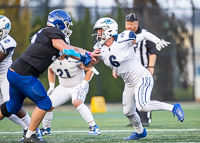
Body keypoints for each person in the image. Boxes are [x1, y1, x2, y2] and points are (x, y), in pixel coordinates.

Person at [0, 9, 96, 143]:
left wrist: (88, 54)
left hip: (15, 71)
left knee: (12, 107)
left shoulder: (47, 34)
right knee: (45, 103)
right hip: (25, 74)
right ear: (59, 23)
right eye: (66, 24)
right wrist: (82, 58)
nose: (67, 28)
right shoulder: (53, 32)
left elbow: (69, 47)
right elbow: (67, 50)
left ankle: (30, 134)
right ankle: (30, 136)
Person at [89, 17, 185, 140]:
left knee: (143, 106)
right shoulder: (99, 47)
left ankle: (173, 107)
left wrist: (157, 41)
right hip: (129, 83)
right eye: (97, 31)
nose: (98, 33)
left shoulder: (123, 39)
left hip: (142, 77)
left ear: (109, 30)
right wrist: (90, 58)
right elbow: (91, 63)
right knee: (128, 111)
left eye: (100, 30)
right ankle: (140, 132)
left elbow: (144, 35)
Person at [40, 32, 100, 136]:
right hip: (63, 86)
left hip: (78, 85)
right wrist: (51, 86)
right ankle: (46, 128)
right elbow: (50, 70)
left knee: (76, 101)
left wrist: (83, 84)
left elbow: (91, 70)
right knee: (47, 104)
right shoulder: (51, 59)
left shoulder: (74, 58)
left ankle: (94, 126)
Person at [0, 15, 43, 141]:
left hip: (4, 76)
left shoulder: (8, 42)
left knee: (10, 106)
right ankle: (28, 128)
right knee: (5, 110)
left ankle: (33, 130)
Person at [116, 13, 158, 127]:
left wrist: (151, 66)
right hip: (130, 71)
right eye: (127, 24)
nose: (128, 26)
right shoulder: (123, 36)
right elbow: (118, 54)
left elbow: (153, 52)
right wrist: (115, 69)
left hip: (143, 69)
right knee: (133, 97)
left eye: (131, 24)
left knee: (143, 96)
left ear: (136, 24)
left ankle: (146, 119)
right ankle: (137, 120)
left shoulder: (144, 35)